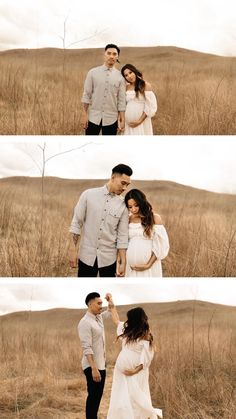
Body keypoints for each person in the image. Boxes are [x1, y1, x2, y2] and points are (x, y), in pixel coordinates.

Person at [69, 164, 133, 277]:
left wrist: (123, 261)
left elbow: (122, 235)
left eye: (127, 185)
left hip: (109, 259)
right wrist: (72, 249)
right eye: (123, 183)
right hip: (86, 256)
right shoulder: (88, 195)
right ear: (113, 177)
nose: (124, 188)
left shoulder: (123, 205)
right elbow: (76, 223)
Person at [107, 305, 163, 419]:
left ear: (135, 319)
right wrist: (112, 307)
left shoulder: (146, 335)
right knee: (121, 398)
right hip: (121, 373)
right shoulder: (128, 330)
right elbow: (116, 320)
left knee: (135, 399)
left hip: (137, 373)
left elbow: (147, 357)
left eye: (129, 318)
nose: (127, 320)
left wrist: (134, 370)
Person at [78, 292, 115, 419]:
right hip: (92, 366)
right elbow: (86, 348)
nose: (101, 306)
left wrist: (110, 300)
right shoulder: (85, 322)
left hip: (101, 364)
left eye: (101, 303)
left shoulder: (98, 317)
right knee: (93, 397)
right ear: (90, 304)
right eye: (98, 303)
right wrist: (94, 368)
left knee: (97, 397)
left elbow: (110, 311)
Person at [81, 44, 126, 135]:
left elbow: (121, 100)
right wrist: (84, 114)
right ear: (104, 55)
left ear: (117, 57)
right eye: (109, 53)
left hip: (111, 119)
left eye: (114, 54)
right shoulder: (92, 73)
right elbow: (87, 95)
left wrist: (122, 119)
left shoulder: (120, 77)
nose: (111, 56)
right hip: (93, 117)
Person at [124, 189, 169, 277]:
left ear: (142, 202)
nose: (133, 209)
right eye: (130, 207)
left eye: (136, 205)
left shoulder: (155, 218)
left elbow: (160, 245)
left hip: (150, 268)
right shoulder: (127, 219)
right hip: (130, 268)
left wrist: (148, 265)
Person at [121, 63, 157, 135]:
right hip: (128, 124)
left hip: (141, 123)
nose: (129, 76)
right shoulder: (126, 87)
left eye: (130, 72)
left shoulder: (145, 85)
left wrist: (139, 121)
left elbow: (149, 106)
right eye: (126, 75)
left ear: (134, 71)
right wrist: (122, 120)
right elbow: (123, 105)